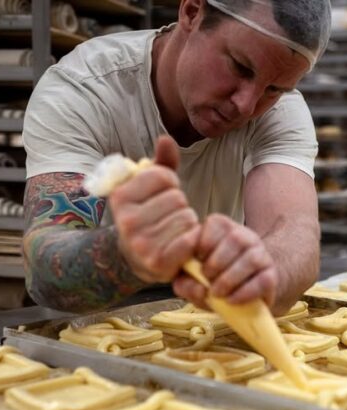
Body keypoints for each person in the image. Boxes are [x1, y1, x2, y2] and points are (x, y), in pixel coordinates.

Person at [22, 0, 331, 315]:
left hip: (207, 315)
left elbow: (295, 234)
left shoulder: (281, 112)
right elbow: (45, 267)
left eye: (274, 89)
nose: (246, 105)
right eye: (240, 66)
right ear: (192, 12)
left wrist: (268, 275)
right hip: (91, 317)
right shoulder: (84, 90)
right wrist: (125, 255)